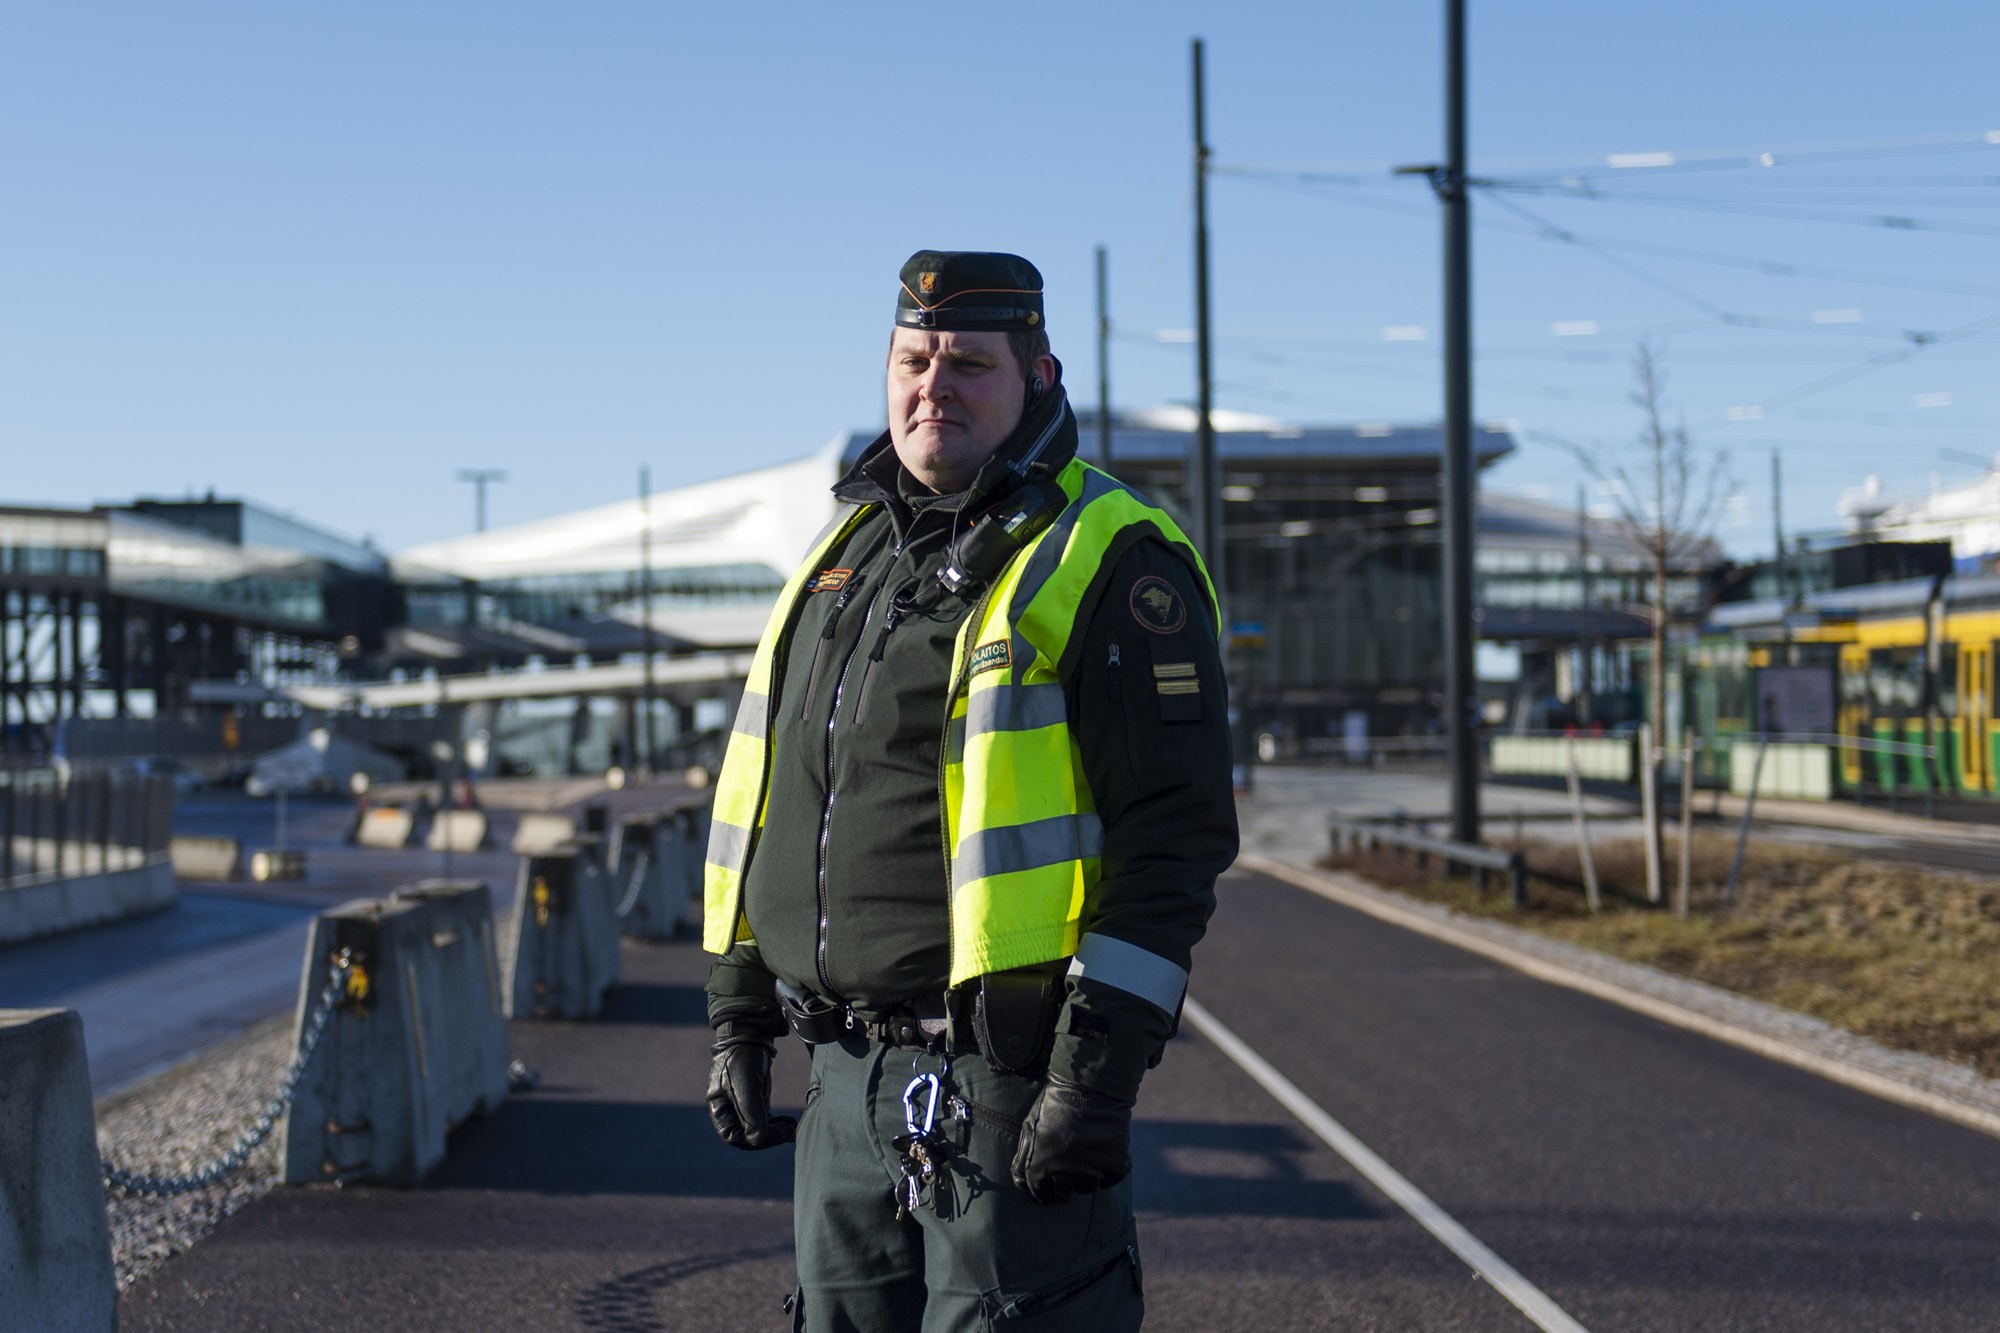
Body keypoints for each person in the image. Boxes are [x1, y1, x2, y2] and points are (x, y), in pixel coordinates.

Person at [702, 250, 1237, 1331]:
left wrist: (1092, 1078)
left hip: (1009, 1083)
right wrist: (739, 1012)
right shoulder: (843, 554)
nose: (932, 387)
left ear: (1037, 377)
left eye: (968, 364)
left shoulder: (1110, 555)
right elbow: (771, 794)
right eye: (913, 360)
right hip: (845, 1078)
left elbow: (1172, 838)